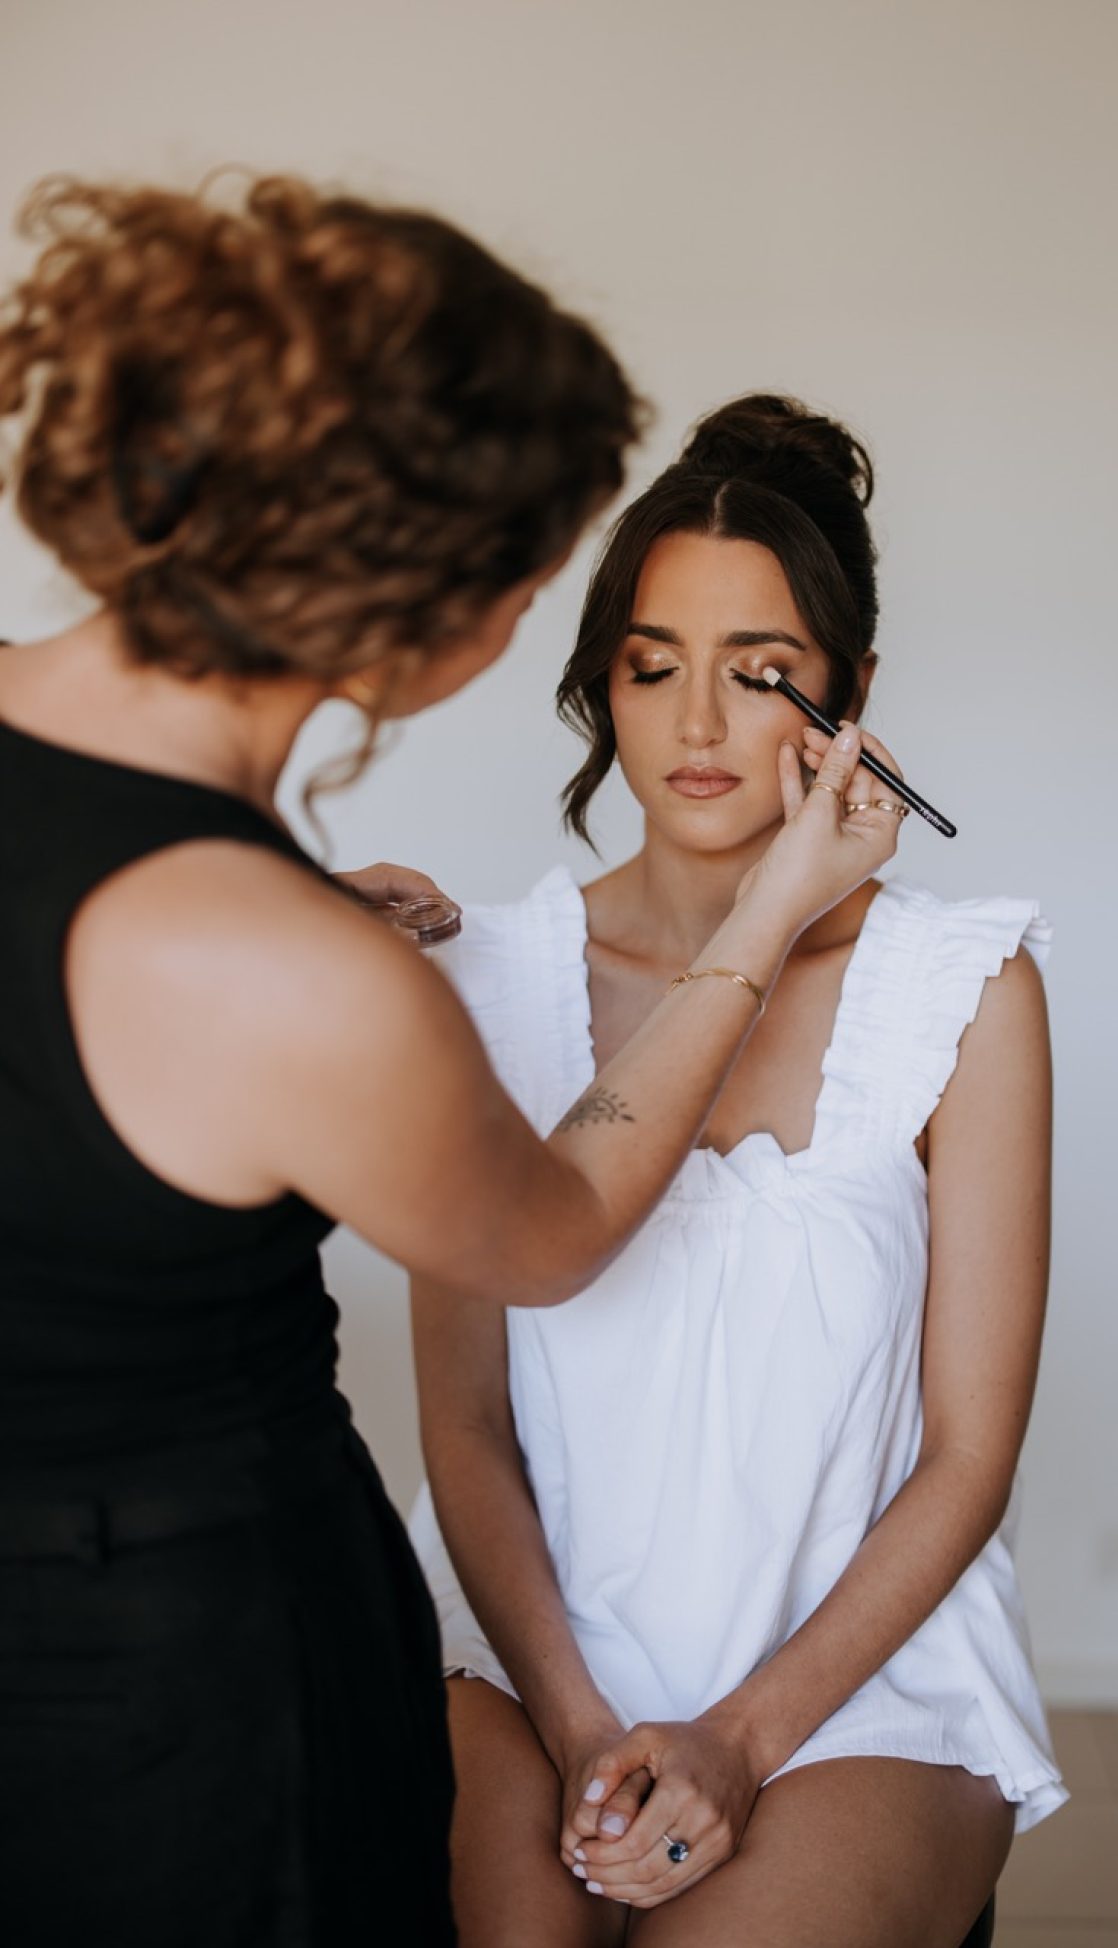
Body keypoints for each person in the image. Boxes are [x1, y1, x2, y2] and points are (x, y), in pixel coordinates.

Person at [0, 184, 892, 1948]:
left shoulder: (248, 932)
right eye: (543, 577)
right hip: (187, 1697)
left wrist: (294, 933)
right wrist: (763, 925)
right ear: (416, 602)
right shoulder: (293, 973)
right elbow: (552, 1233)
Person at [410, 395, 1067, 1948]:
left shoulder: (965, 991)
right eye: (652, 669)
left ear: (850, 698)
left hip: (859, 1686)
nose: (699, 726)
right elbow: (466, 1426)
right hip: (523, 1661)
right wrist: (577, 1723)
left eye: (760, 674)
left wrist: (743, 1739)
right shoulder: (478, 982)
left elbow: (970, 1455)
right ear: (600, 690)